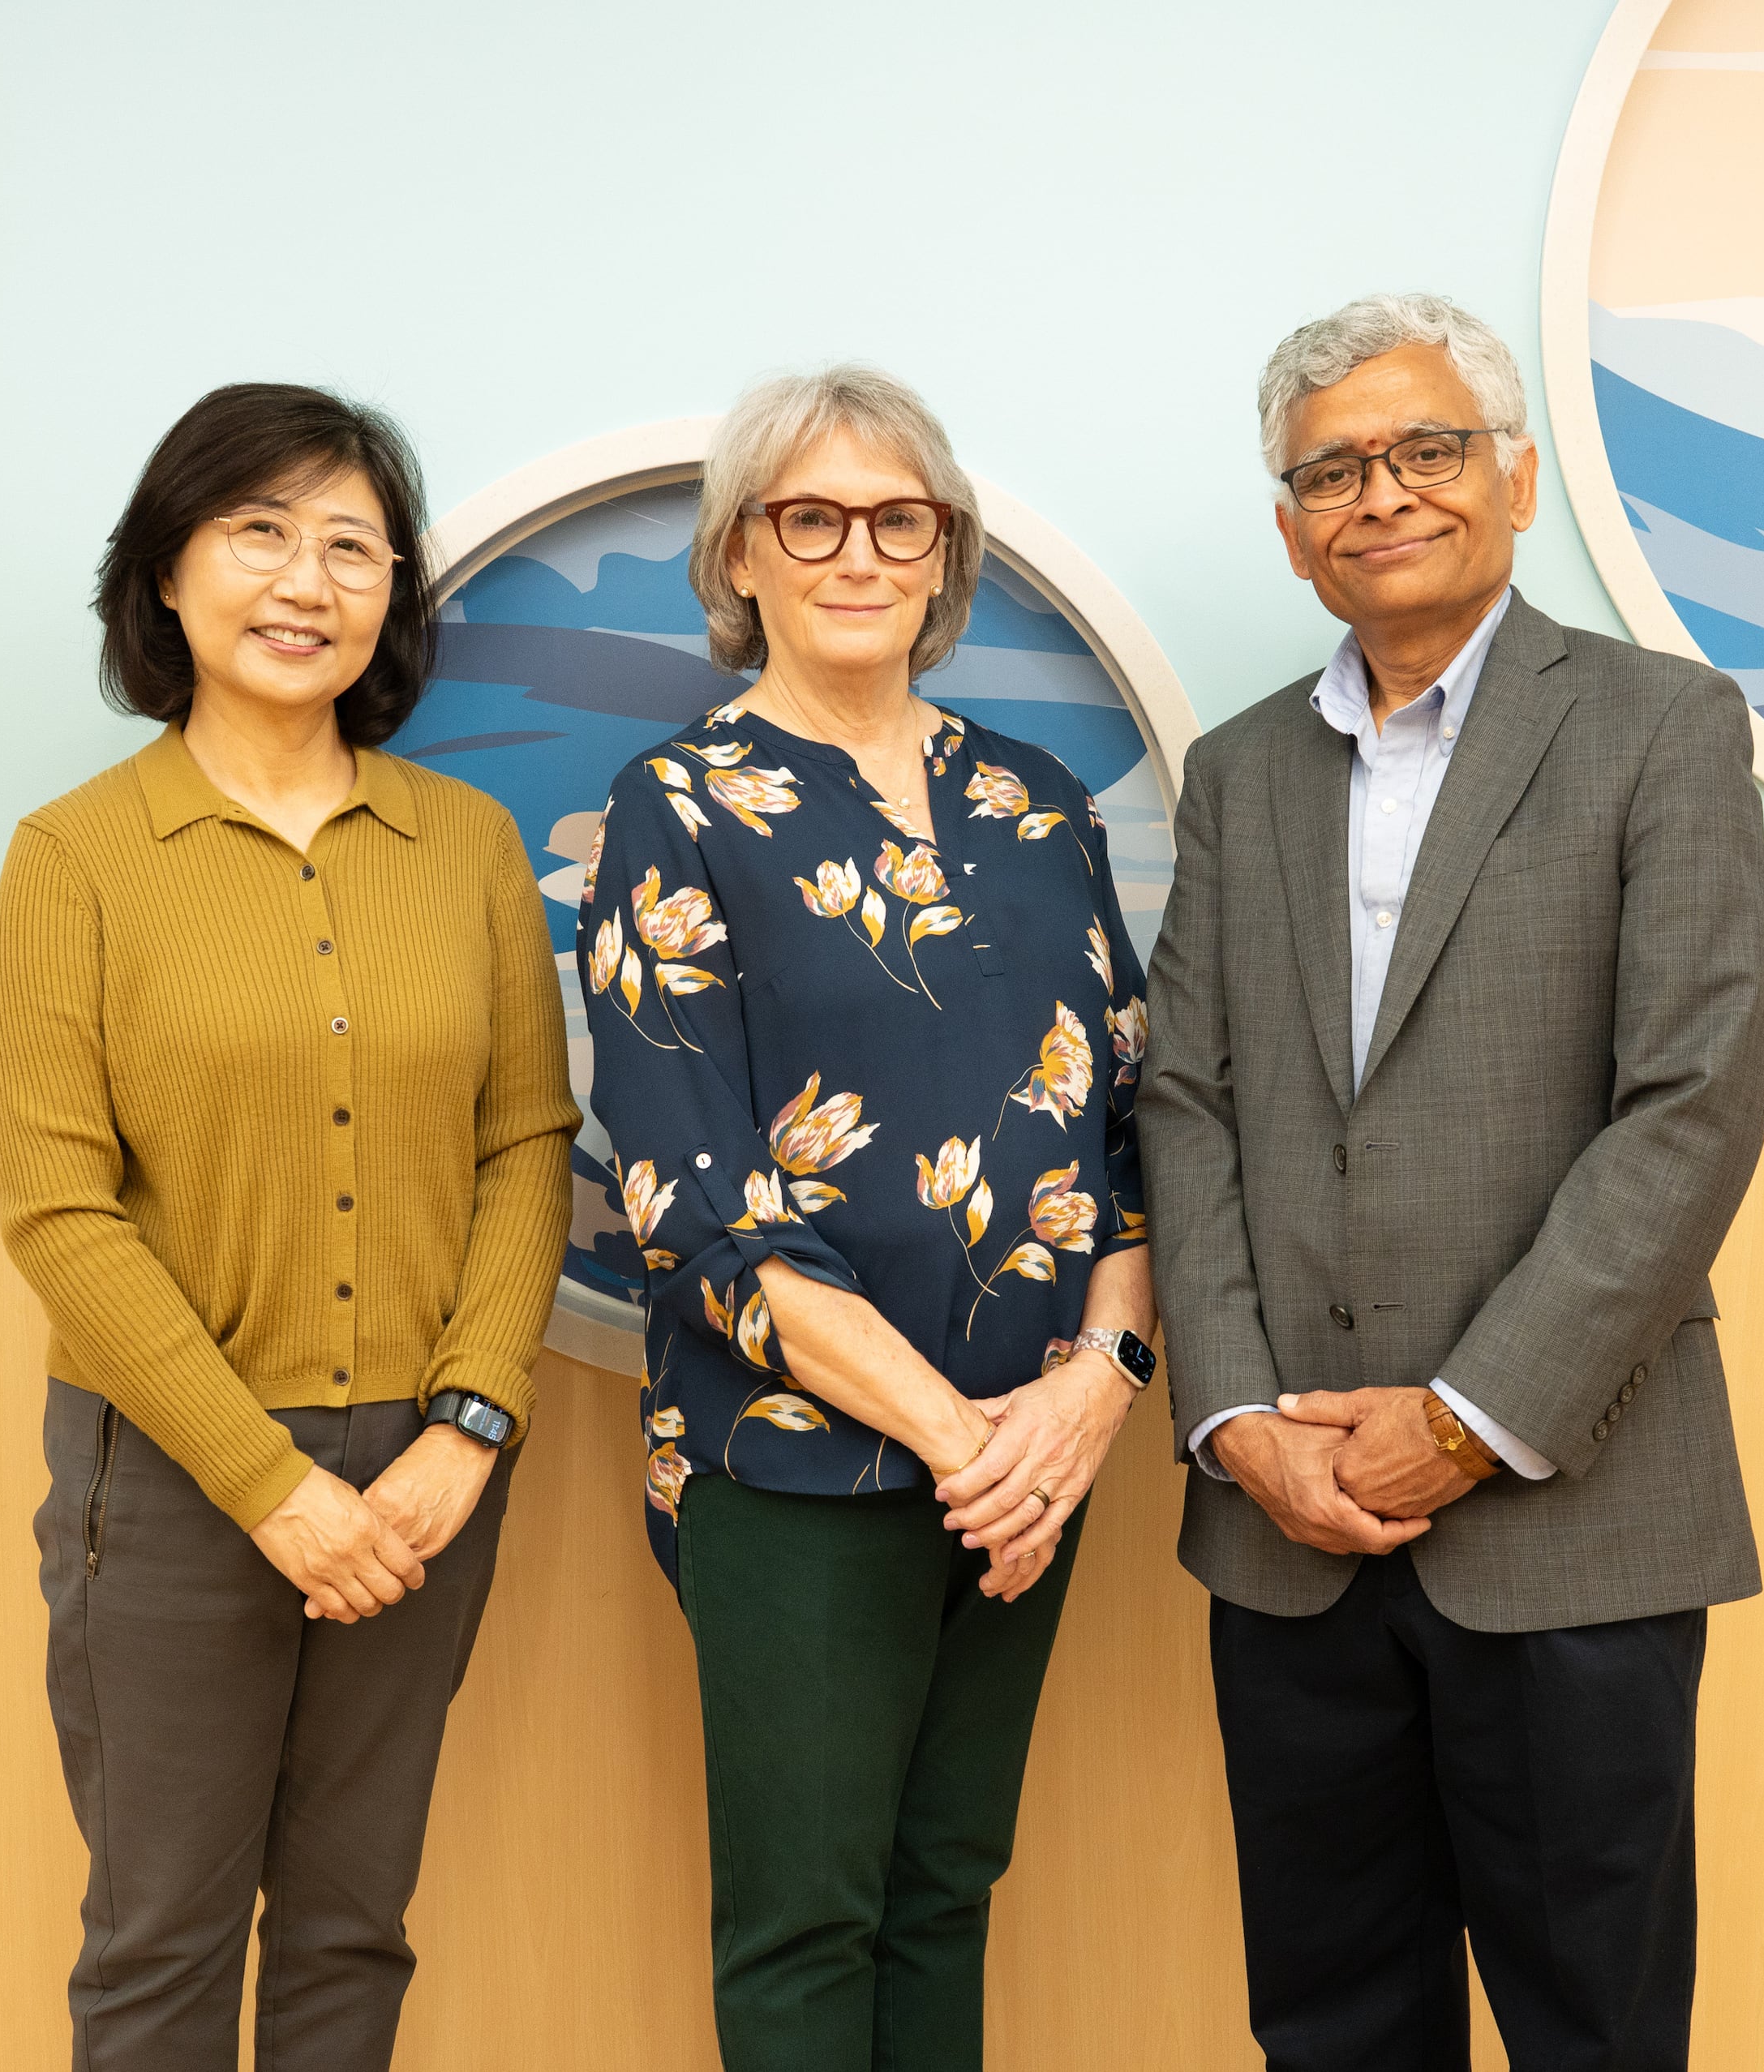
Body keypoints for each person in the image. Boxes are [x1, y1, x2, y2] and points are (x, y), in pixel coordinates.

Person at [1138, 294, 1764, 2071]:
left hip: (1573, 1515)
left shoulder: (1661, 725)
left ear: (1517, 480)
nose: (1384, 493)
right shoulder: (1239, 772)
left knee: (1595, 2033)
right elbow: (1185, 1101)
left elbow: (1691, 1109)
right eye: (1333, 470)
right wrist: (1236, 1421)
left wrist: (1469, 1419)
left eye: (1428, 450)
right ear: (1292, 531)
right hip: (1289, 1528)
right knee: (1332, 2029)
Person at [0, 382, 579, 2069]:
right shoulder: (74, 858)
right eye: (258, 532)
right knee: (159, 1944)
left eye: (350, 546)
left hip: (423, 1479)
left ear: (393, 593)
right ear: (166, 574)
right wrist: (270, 1487)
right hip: (170, 1479)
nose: (305, 581)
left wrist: (467, 1428)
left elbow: (527, 1145)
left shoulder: (467, 846)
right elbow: (60, 1213)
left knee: (350, 1928)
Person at [578, 364, 1158, 2072]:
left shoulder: (1041, 805)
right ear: (739, 554)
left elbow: (1128, 1135)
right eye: (811, 517)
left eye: (899, 520)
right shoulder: (676, 807)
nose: (858, 554)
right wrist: (970, 1447)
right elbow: (698, 1208)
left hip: (1035, 1460)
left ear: (945, 553)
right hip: (798, 1467)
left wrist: (1095, 1391)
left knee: (943, 1893)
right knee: (808, 1922)